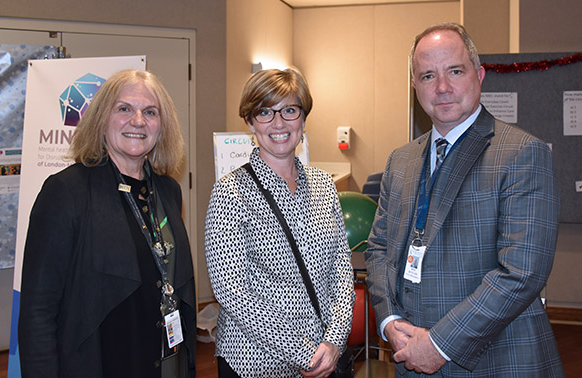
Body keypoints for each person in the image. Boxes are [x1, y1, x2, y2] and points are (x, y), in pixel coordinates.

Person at [365, 22, 564, 377]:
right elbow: (378, 248)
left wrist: (440, 343)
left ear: (479, 74)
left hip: (494, 359)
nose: (441, 87)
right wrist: (390, 321)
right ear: (414, 85)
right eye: (427, 76)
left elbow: (521, 273)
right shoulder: (401, 160)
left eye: (454, 71)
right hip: (408, 352)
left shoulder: (521, 153)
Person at [18, 69, 196, 378]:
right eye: (124, 108)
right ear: (101, 119)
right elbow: (38, 310)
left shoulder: (168, 190)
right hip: (100, 362)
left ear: (162, 126)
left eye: (150, 112)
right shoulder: (66, 192)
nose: (138, 121)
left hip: (165, 363)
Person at [204, 67, 355, 378]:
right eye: (264, 112)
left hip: (325, 354)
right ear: (249, 121)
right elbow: (233, 292)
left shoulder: (324, 185)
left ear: (303, 118)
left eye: (289, 110)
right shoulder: (230, 192)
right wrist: (304, 353)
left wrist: (335, 341)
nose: (278, 123)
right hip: (255, 363)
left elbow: (341, 269)